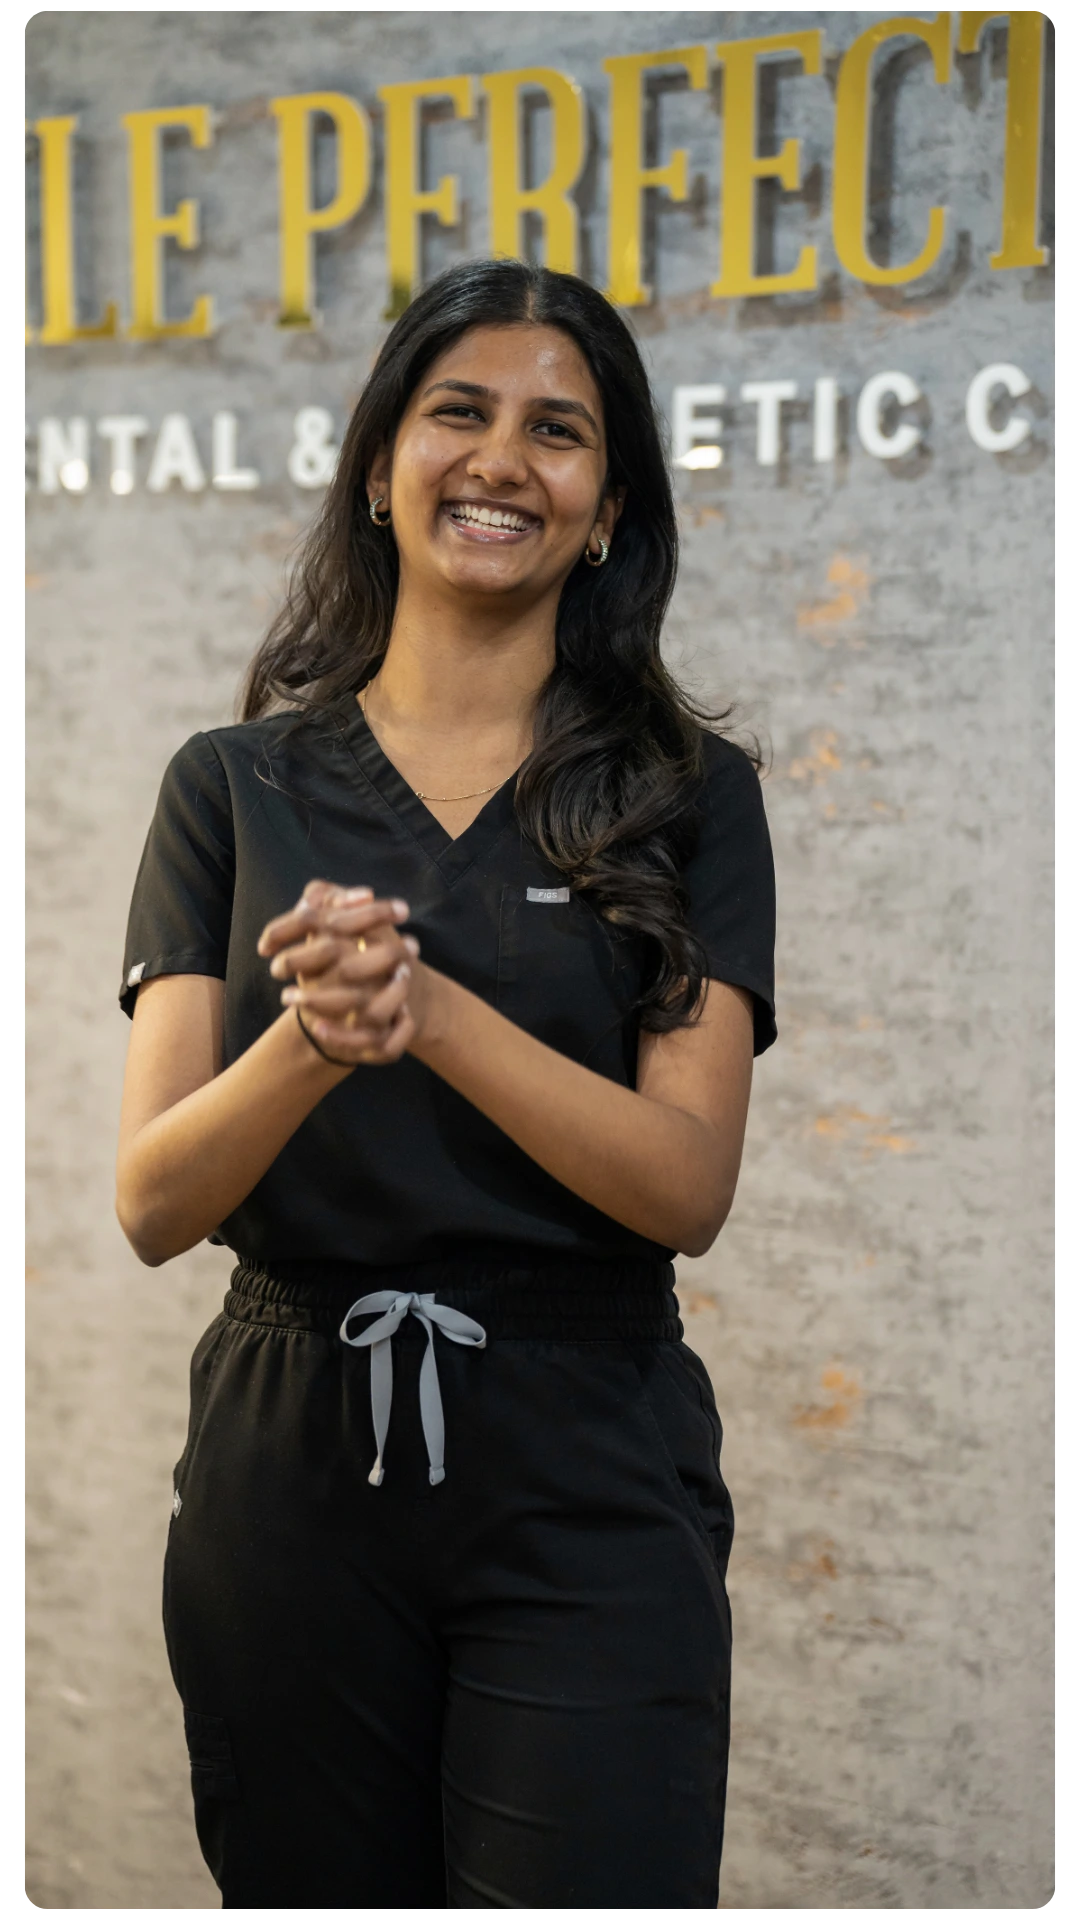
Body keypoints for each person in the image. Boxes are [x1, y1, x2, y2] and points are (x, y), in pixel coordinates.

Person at [116, 258, 776, 1914]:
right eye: (458, 413)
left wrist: (433, 1013)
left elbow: (686, 1189)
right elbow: (153, 1201)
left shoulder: (691, 796)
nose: (503, 460)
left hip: (588, 1455)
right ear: (377, 464)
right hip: (291, 1455)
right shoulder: (232, 784)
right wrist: (309, 1037)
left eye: (559, 432)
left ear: (609, 506)